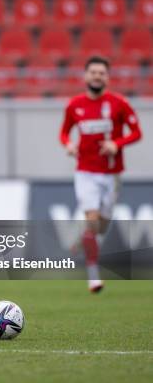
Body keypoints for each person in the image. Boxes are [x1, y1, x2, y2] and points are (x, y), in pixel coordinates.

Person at [59, 56, 142, 293]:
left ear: (107, 77)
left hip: (112, 174)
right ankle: (93, 277)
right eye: (93, 72)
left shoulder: (119, 104)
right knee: (93, 218)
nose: (97, 76)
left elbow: (137, 133)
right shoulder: (74, 105)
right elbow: (64, 133)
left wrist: (117, 143)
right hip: (85, 172)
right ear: (85, 76)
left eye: (101, 73)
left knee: (100, 227)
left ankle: (85, 235)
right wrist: (69, 145)